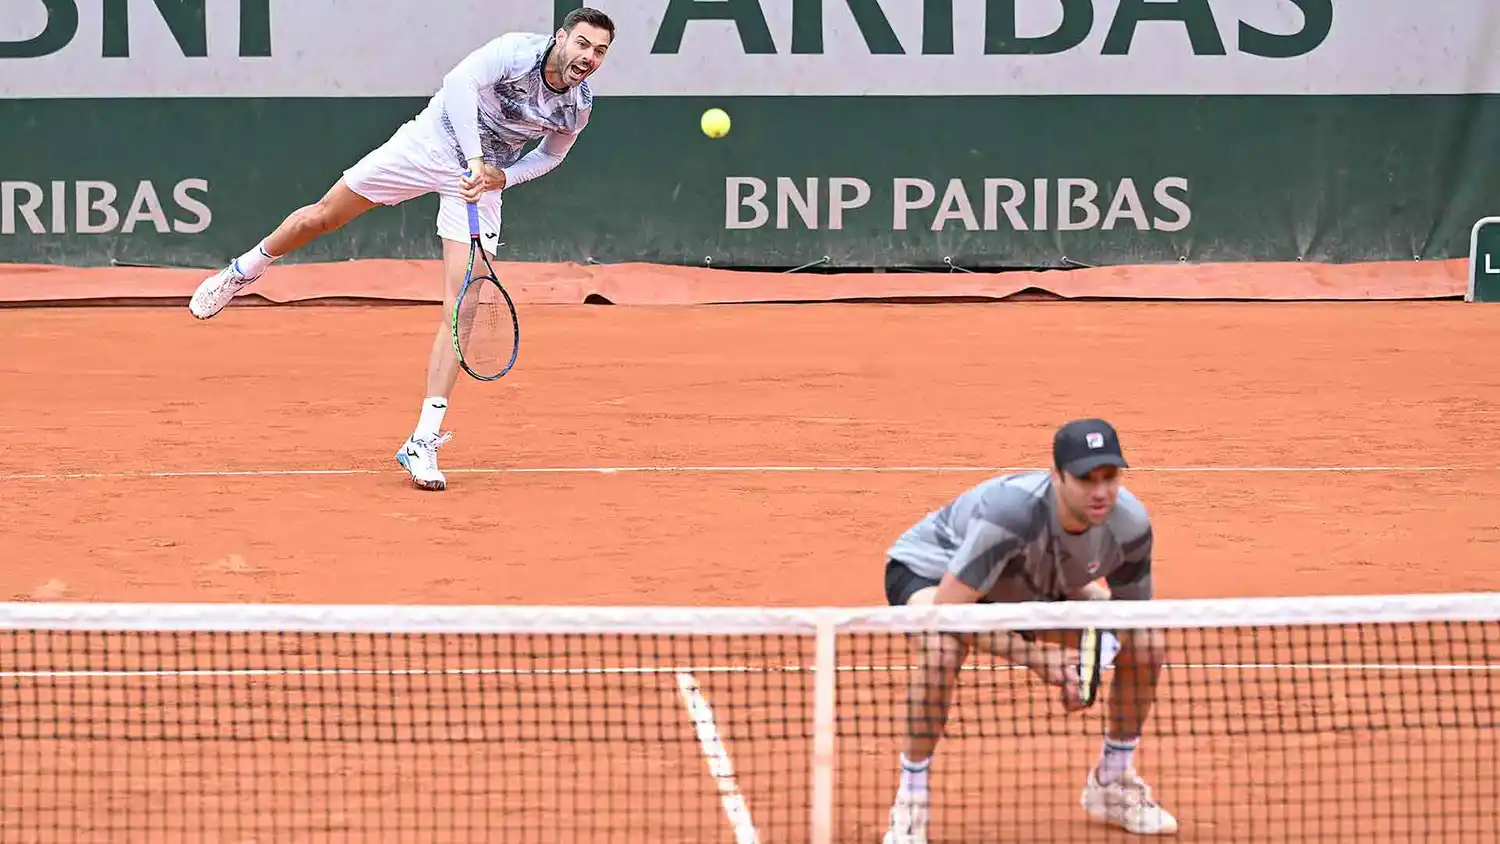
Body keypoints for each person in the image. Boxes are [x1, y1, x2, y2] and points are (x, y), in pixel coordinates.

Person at [187, 7, 616, 491]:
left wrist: (502, 177)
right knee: (323, 216)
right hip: (430, 144)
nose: (589, 57)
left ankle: (423, 440)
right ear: (561, 38)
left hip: (477, 185)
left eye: (600, 51)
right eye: (583, 43)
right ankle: (244, 270)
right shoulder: (516, 52)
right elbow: (458, 83)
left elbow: (552, 155)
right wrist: (476, 156)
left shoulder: (577, 106)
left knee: (465, 302)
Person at [880, 418, 1179, 842]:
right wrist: (1037, 658)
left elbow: (1130, 620)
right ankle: (911, 800)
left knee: (1147, 644)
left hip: (1031, 581)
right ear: (1057, 476)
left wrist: (1090, 666)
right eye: (1086, 478)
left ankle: (1111, 781)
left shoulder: (1129, 525)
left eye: (1110, 476)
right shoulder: (1011, 515)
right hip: (937, 575)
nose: (1100, 491)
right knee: (942, 650)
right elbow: (948, 614)